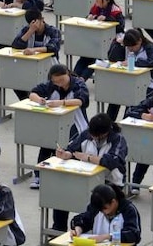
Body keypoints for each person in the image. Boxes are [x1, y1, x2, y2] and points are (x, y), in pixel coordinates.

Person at [28, 65, 89, 193]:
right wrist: (40, 100)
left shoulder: (78, 84)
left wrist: (61, 103)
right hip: (55, 123)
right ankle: (40, 175)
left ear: (67, 74)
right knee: (47, 144)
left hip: (76, 124)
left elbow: (82, 101)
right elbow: (33, 92)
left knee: (70, 149)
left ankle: (67, 178)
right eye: (56, 81)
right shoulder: (52, 85)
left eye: (62, 80)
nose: (59, 84)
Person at [60, 113, 128, 189]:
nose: (92, 137)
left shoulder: (118, 139)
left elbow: (112, 161)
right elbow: (72, 149)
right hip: (88, 177)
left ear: (104, 133)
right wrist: (66, 154)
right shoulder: (87, 134)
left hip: (111, 181)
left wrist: (89, 158)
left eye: (95, 136)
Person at [74, 0, 125, 81]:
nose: (97, 3)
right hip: (94, 38)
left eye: (99, 1)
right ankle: (74, 76)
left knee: (95, 59)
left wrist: (107, 18)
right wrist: (89, 16)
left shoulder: (115, 10)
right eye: (96, 1)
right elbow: (91, 15)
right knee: (84, 56)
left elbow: (121, 26)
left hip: (110, 41)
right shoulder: (96, 7)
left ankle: (82, 78)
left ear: (107, 0)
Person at [70, 183, 141, 244]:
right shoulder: (97, 209)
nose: (104, 212)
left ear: (113, 202)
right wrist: (78, 228)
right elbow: (81, 219)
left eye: (105, 208)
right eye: (100, 210)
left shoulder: (128, 210)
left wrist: (107, 236)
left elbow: (134, 234)